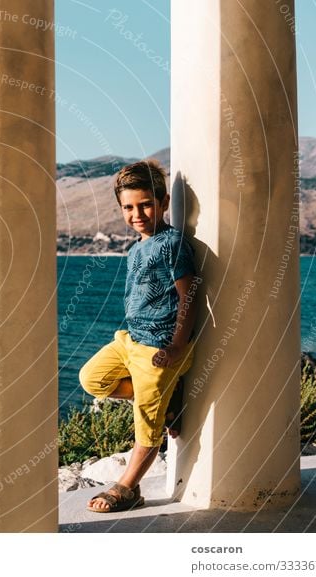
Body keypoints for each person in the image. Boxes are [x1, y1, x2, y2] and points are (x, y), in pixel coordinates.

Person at [79, 159, 199, 513]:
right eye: (128, 207)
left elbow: (188, 294)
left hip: (160, 349)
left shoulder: (171, 243)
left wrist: (177, 346)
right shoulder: (135, 249)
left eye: (146, 204)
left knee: (146, 423)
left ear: (162, 203)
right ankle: (168, 400)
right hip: (130, 340)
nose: (137, 214)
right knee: (92, 379)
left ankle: (128, 488)